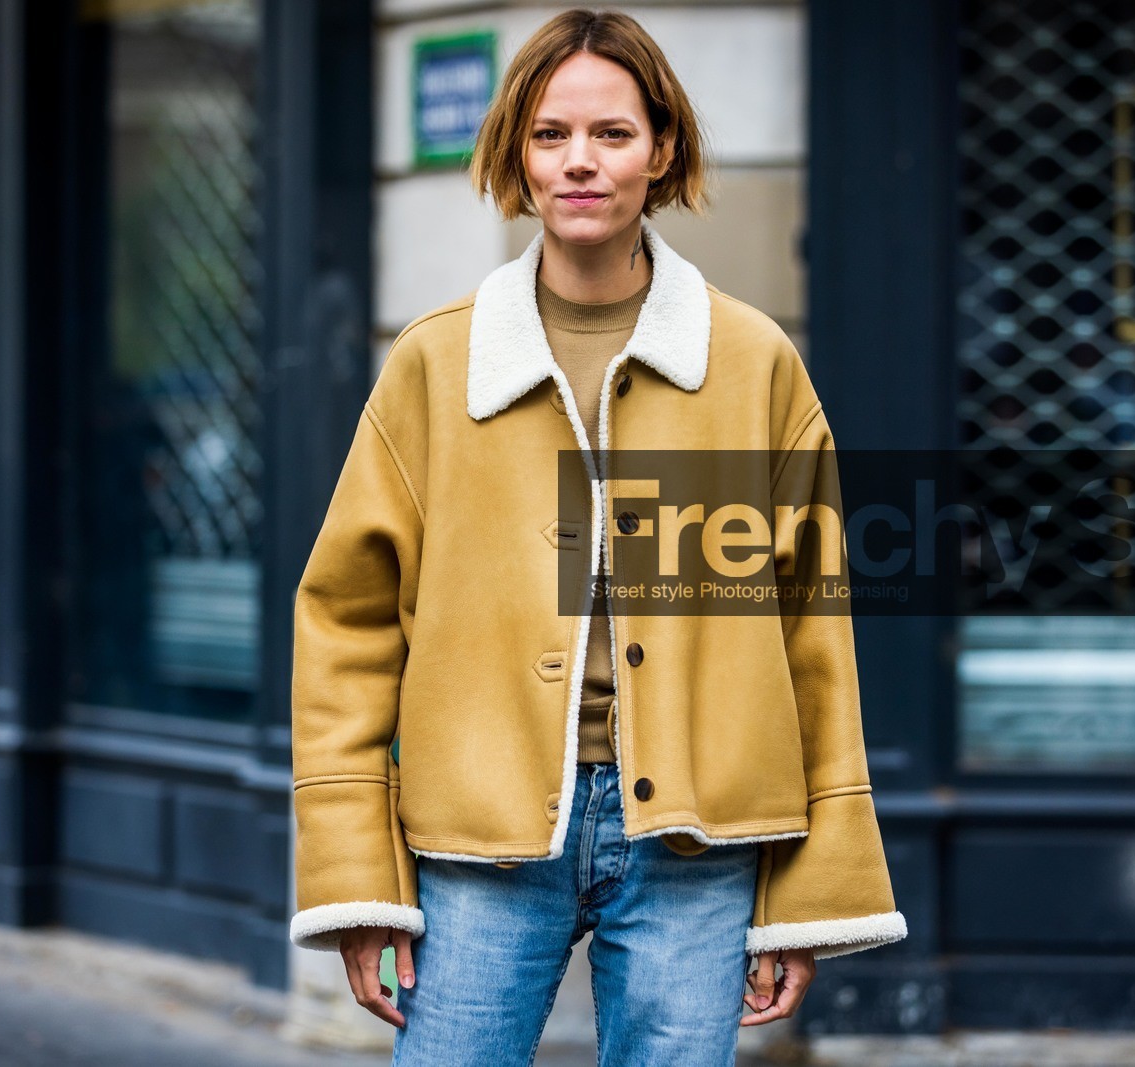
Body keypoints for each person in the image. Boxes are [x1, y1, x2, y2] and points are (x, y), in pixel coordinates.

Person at [289, 9, 905, 1065]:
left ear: (660, 149)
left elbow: (811, 634)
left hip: (695, 841)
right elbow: (346, 623)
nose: (580, 160)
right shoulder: (437, 365)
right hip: (478, 838)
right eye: (549, 133)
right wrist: (360, 877)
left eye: (612, 133)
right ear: (516, 157)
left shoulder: (749, 361)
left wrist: (806, 887)